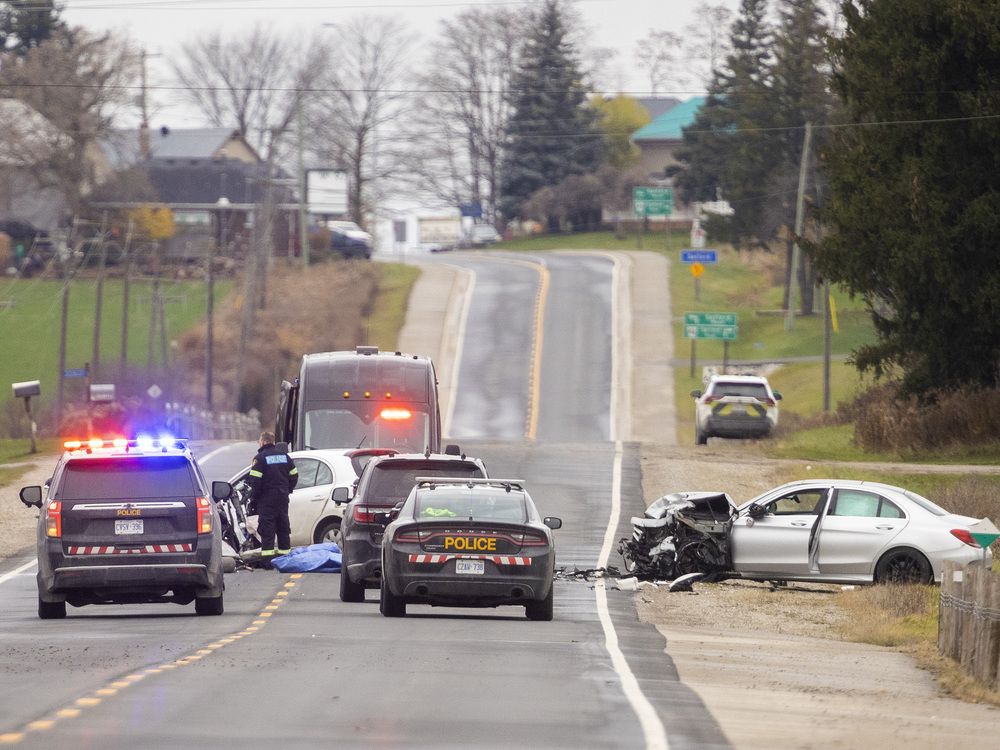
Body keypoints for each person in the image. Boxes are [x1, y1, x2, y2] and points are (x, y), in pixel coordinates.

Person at [246, 431, 298, 564]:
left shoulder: (260, 458)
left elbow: (255, 482)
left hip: (266, 500)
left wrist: (254, 499)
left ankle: (268, 561)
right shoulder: (284, 456)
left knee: (267, 528)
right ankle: (285, 559)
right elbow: (294, 475)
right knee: (283, 527)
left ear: (263, 442)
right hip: (282, 498)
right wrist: (287, 490)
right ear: (272, 442)